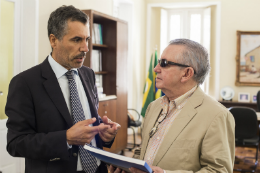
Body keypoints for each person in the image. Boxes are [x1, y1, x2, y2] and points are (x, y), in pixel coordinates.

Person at [6, 5, 120, 173]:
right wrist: (65, 138)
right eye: (76, 40)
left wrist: (105, 136)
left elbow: (90, 127)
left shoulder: (88, 74)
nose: (85, 48)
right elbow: (16, 143)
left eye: (87, 39)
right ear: (53, 40)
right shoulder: (25, 83)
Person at [110, 39, 235, 173]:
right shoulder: (154, 106)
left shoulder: (217, 115)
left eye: (164, 63)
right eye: (159, 62)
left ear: (187, 73)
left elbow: (218, 170)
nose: (156, 69)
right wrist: (129, 167)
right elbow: (144, 152)